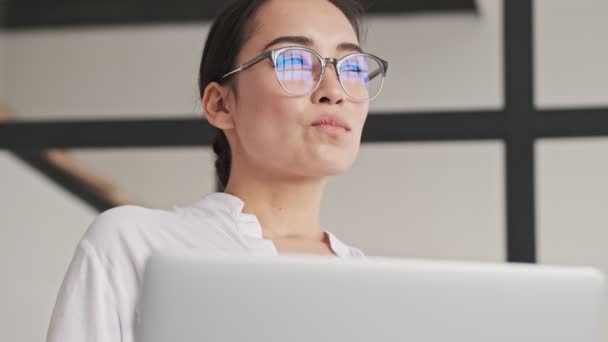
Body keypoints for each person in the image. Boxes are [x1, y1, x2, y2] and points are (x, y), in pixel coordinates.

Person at [45, 0, 388, 341]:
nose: (334, 91)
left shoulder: (379, 290)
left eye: (353, 69)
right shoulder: (136, 245)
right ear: (221, 104)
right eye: (295, 62)